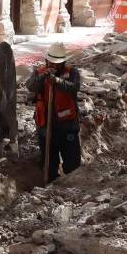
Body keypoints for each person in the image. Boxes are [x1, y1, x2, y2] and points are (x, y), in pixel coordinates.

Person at [26, 42, 82, 182]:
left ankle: (72, 188)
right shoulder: (39, 73)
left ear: (63, 62)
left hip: (67, 126)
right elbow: (31, 86)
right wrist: (44, 77)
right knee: (50, 163)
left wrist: (56, 81)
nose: (53, 66)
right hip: (46, 127)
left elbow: (74, 88)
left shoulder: (71, 73)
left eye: (57, 64)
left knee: (72, 163)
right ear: (46, 60)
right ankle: (51, 187)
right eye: (50, 63)